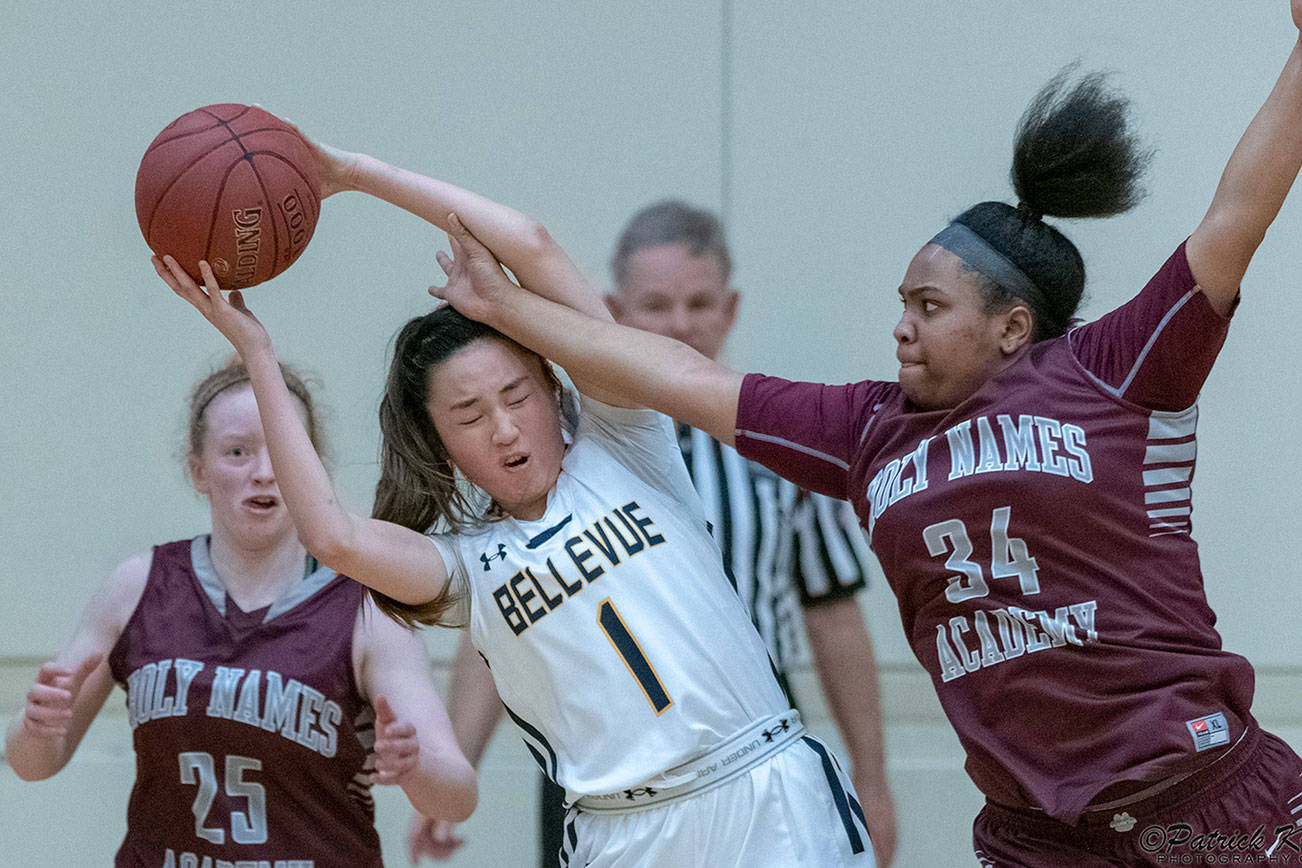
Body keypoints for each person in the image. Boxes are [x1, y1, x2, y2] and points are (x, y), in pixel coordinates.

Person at [426, 8, 1302, 862]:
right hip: (1035, 830)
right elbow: (680, 375)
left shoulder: (1110, 370)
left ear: (1010, 325)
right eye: (902, 305)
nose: (902, 327)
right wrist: (506, 307)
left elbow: (1235, 218)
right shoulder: (866, 427)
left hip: (1198, 792)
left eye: (929, 307)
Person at [153, 139, 878, 867]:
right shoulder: (467, 565)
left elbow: (532, 244)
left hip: (763, 786)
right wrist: (258, 355)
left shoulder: (626, 443)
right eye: (468, 416)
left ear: (556, 389)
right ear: (440, 446)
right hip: (621, 834)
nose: (502, 429)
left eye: (515, 396)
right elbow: (333, 535)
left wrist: (352, 174)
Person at [409, 201, 898, 867]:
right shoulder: (549, 446)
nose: (680, 324)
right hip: (605, 768)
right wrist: (456, 758)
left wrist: (872, 775)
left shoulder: (776, 446)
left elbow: (835, 617)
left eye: (699, 303)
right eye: (657, 306)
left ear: (730, 309)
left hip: (747, 742)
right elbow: (501, 619)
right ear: (612, 311)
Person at [5, 357, 477, 867]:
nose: (264, 473)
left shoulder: (366, 604)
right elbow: (33, 765)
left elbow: (457, 796)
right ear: (198, 470)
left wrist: (415, 768)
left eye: (281, 449)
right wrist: (35, 728)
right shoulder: (137, 586)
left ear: (309, 464)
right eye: (236, 452)